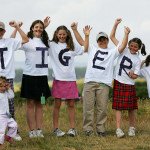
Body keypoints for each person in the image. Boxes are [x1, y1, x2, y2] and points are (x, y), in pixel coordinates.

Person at [71, 19, 130, 136]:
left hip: (104, 83)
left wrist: (126, 34)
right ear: (97, 41)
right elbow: (82, 42)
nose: (102, 41)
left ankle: (101, 130)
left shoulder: (112, 52)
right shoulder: (92, 48)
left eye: (104, 39)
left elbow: (122, 46)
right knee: (88, 107)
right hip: (90, 81)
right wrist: (75, 30)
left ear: (107, 40)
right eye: (100, 39)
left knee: (102, 108)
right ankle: (88, 129)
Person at [44, 17, 85, 137]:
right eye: (60, 34)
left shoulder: (72, 46)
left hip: (70, 79)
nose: (62, 36)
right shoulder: (51, 45)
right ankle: (56, 129)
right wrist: (45, 26)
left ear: (67, 35)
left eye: (64, 34)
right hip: (58, 79)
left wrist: (75, 30)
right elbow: (41, 39)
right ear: (56, 34)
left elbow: (85, 48)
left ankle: (72, 128)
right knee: (57, 105)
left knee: (71, 105)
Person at [110, 19, 147, 138]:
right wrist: (116, 25)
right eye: (131, 45)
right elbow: (112, 36)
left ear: (139, 48)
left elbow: (136, 75)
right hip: (119, 81)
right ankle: (118, 129)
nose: (133, 48)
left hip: (129, 84)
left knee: (131, 108)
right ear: (128, 45)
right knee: (118, 107)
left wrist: (132, 75)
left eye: (135, 47)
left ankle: (132, 128)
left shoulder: (137, 60)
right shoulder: (123, 49)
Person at [19, 19, 51, 138]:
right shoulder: (27, 41)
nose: (38, 29)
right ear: (32, 28)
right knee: (30, 104)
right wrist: (17, 27)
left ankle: (39, 130)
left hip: (42, 77)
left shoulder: (46, 42)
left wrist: (44, 27)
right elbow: (22, 39)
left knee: (40, 103)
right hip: (29, 77)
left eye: (40, 28)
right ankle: (31, 130)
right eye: (36, 27)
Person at [0, 20, 29, 141]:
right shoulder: (9, 41)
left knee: (10, 106)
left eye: (0, 30)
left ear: (4, 31)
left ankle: (12, 131)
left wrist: (17, 27)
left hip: (7, 77)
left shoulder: (9, 42)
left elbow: (25, 39)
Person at [0, 76, 18, 145]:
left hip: (7, 114)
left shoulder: (6, 93)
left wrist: (9, 88)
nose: (3, 88)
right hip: (1, 116)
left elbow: (12, 96)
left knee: (14, 125)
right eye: (1, 86)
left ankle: (7, 137)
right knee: (1, 131)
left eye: (4, 86)